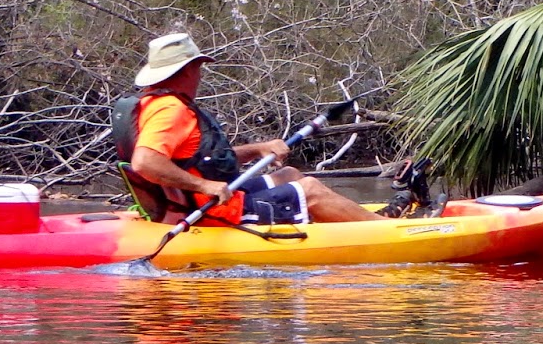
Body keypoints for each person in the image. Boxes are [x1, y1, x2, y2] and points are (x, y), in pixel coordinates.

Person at [112, 33, 424, 225]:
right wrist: (207, 188)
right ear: (185, 71)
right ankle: (382, 228)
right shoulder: (171, 110)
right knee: (311, 190)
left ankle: (354, 219)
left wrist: (256, 150)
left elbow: (195, 161)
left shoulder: (152, 104)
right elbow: (146, 162)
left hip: (195, 201)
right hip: (214, 210)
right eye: (198, 67)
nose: (200, 74)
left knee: (290, 176)